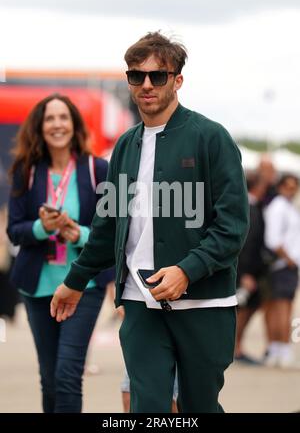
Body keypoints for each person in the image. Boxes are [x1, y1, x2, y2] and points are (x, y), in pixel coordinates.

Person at [50, 32, 249, 413]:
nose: (146, 85)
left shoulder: (211, 138)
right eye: (136, 75)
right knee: (148, 406)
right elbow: (107, 226)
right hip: (139, 303)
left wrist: (187, 271)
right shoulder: (125, 146)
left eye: (158, 76)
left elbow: (233, 227)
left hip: (204, 304)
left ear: (177, 80)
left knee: (199, 407)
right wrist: (74, 282)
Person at [7, 93, 113, 412]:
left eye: (63, 117)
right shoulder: (25, 171)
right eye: (50, 118)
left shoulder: (98, 169)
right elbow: (14, 230)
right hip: (38, 288)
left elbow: (112, 232)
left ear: (74, 125)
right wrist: (43, 228)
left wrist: (77, 233)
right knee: (49, 378)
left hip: (84, 287)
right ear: (39, 127)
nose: (57, 124)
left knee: (68, 374)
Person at [263, 174, 300, 368]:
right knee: (283, 309)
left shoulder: (287, 206)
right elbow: (273, 239)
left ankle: (277, 349)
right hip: (283, 265)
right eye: (288, 186)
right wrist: (290, 260)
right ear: (280, 187)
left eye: (294, 187)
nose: (291, 190)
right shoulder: (278, 207)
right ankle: (283, 349)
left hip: (285, 265)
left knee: (279, 308)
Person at [234, 172, 268, 365]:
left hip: (250, 269)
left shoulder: (252, 206)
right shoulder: (249, 208)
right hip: (245, 271)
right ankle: (235, 348)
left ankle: (237, 346)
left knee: (248, 307)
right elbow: (246, 243)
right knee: (241, 309)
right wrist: (245, 274)